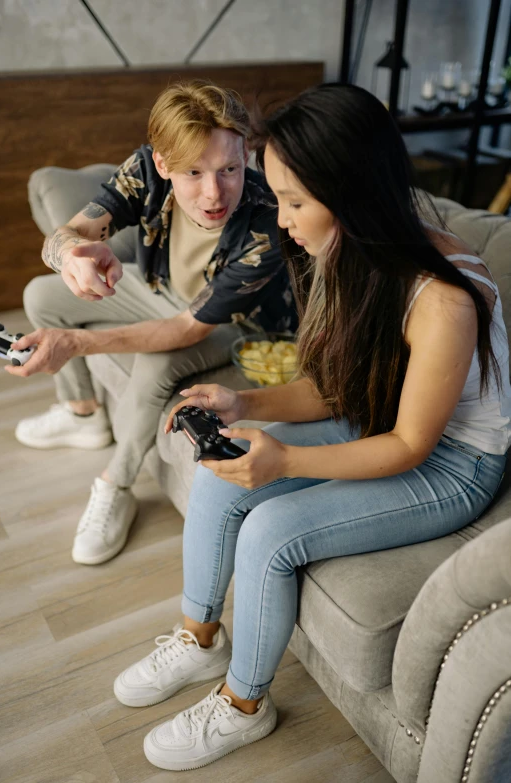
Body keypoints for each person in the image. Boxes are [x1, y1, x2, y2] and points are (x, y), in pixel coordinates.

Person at [111, 82, 511, 772]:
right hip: (384, 416)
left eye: (293, 200)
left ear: (350, 195)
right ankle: (200, 637)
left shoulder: (444, 299)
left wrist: (287, 463)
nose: (280, 215)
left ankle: (244, 706)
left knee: (270, 531)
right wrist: (245, 407)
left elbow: (414, 444)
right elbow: (341, 390)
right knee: (224, 463)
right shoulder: (348, 252)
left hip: (454, 464)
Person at [8, 80, 297, 566]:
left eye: (229, 168)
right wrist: (72, 258)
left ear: (245, 152)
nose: (214, 193)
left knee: (154, 364)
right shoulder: (145, 168)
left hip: (240, 328)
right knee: (41, 294)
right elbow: (66, 235)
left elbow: (187, 331)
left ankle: (115, 485)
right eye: (193, 173)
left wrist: (75, 343)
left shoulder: (266, 220)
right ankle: (84, 414)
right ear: (163, 164)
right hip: (163, 291)